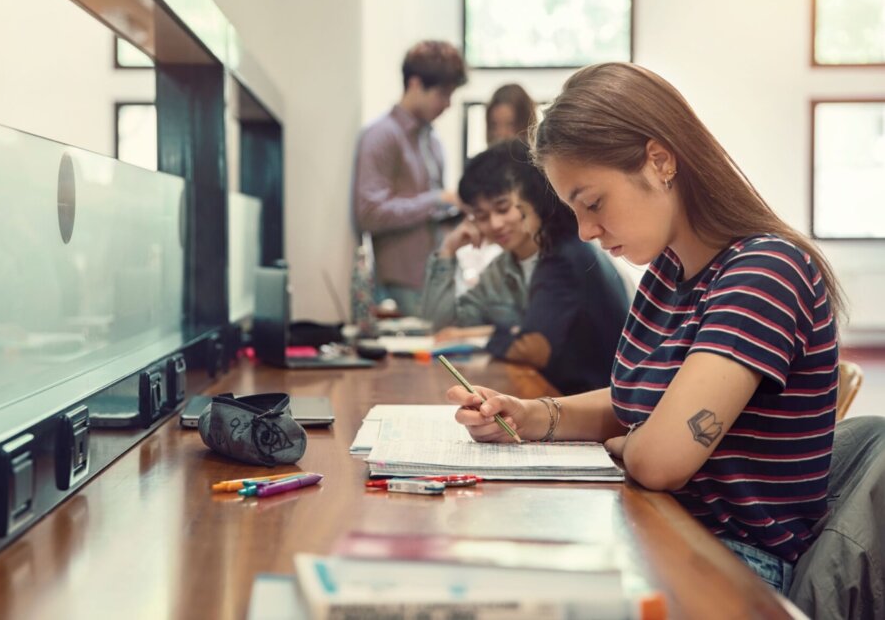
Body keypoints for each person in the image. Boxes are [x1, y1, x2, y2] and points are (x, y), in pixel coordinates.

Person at [447, 63, 842, 595]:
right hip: (662, 530)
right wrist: (530, 415)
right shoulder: (668, 273)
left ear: (659, 162)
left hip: (732, 567)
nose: (586, 230)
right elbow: (640, 403)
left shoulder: (764, 271)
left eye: (593, 203)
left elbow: (661, 460)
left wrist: (631, 443)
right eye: (574, 211)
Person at [421, 143, 629, 394]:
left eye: (506, 208)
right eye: (481, 216)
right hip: (556, 395)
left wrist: (486, 335)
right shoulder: (503, 268)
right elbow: (444, 330)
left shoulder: (563, 257)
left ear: (534, 201)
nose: (496, 224)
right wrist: (446, 253)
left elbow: (534, 347)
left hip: (592, 404)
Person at [353, 40, 466, 316]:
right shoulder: (382, 135)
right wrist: (436, 200)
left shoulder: (432, 141)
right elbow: (368, 213)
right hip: (401, 288)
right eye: (443, 93)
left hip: (437, 277)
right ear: (415, 84)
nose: (448, 104)